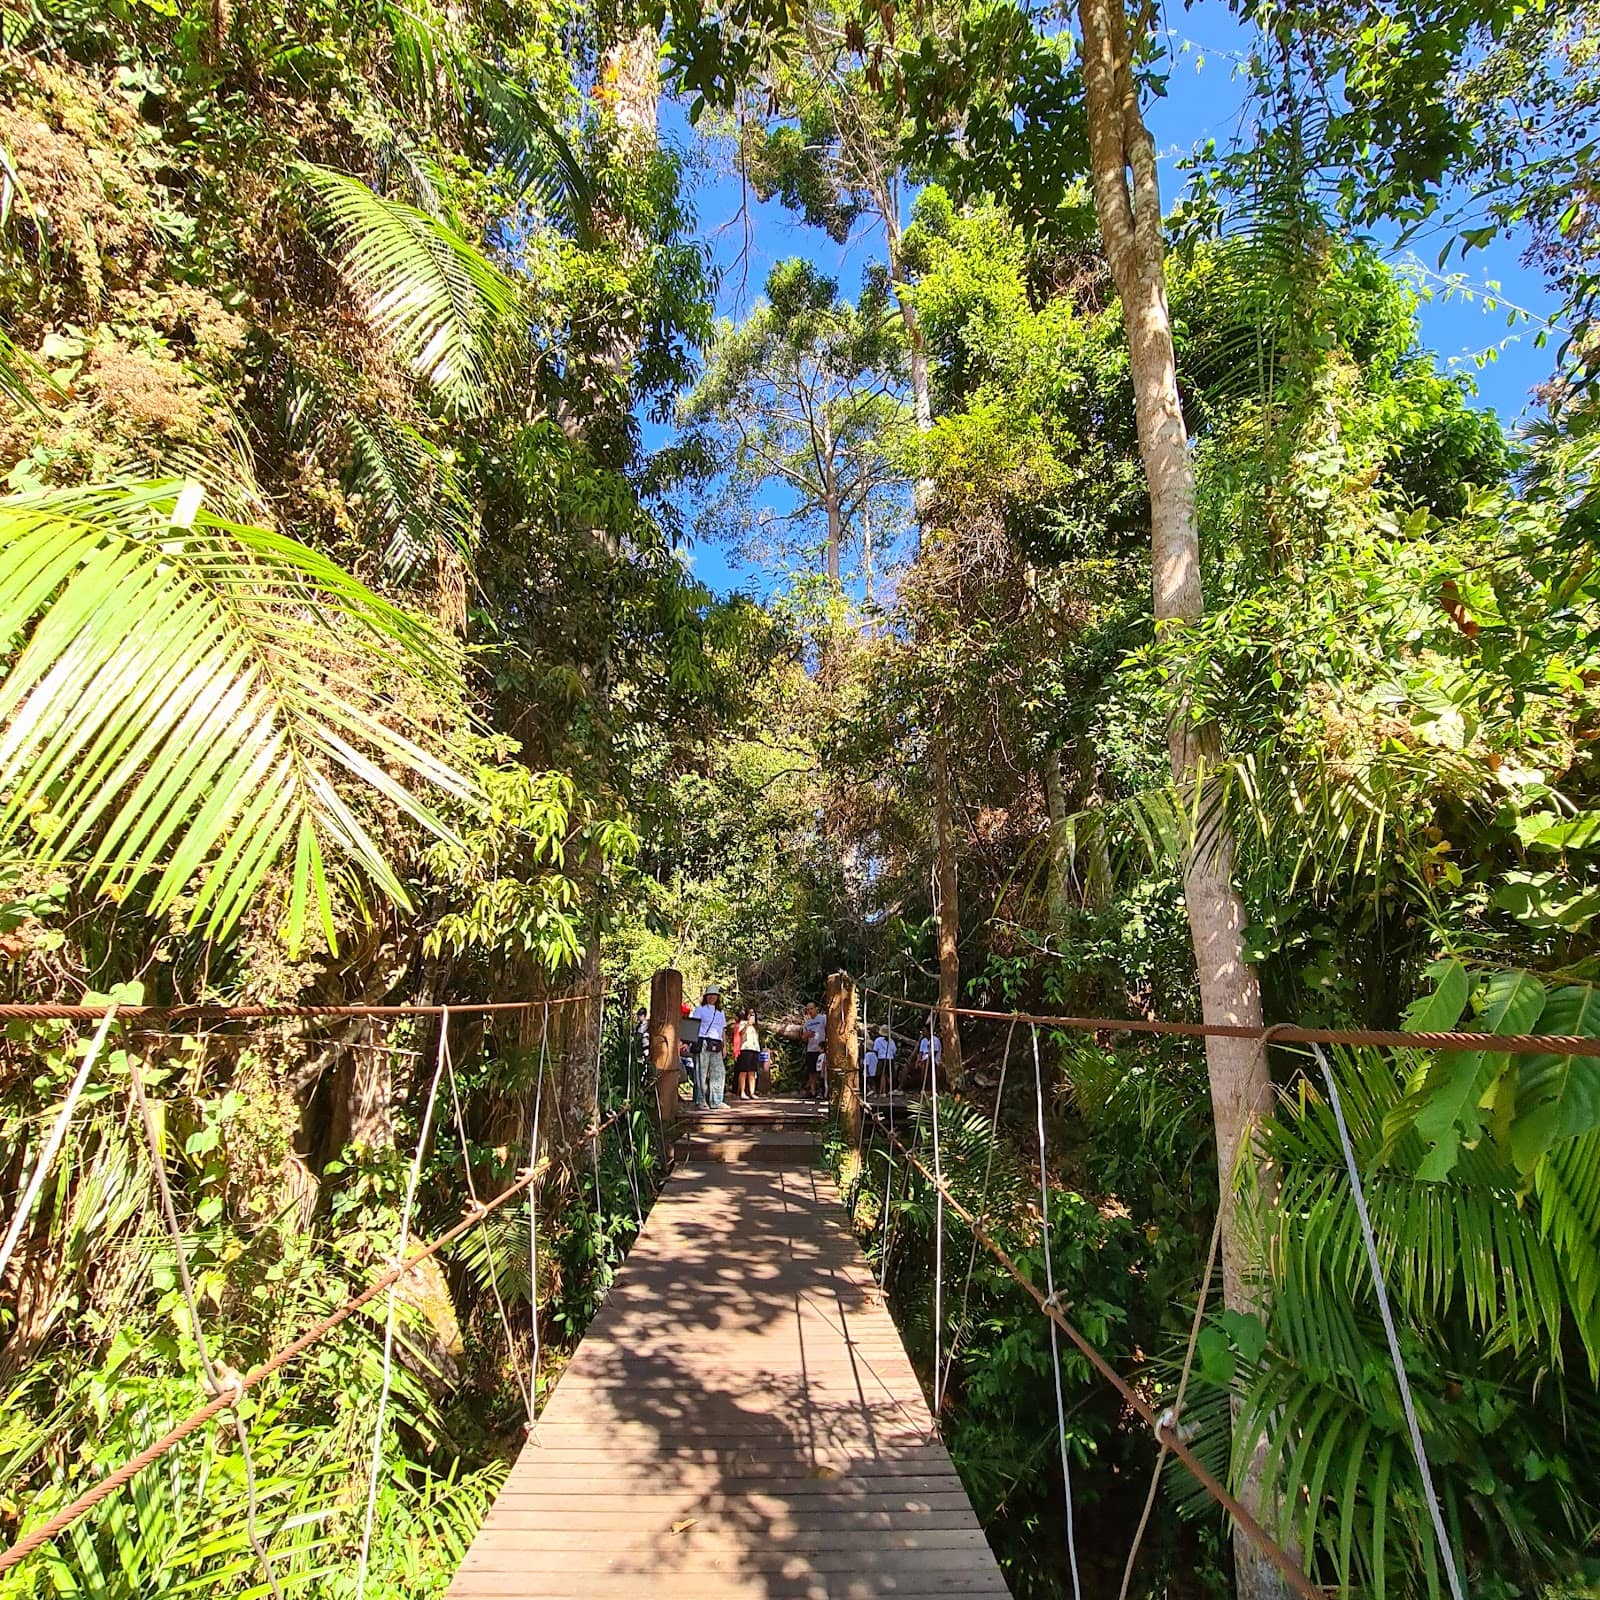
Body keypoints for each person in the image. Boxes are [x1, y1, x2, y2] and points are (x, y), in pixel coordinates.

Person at [688, 984, 728, 1111]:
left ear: (717, 997)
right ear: (706, 996)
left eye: (714, 995)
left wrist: (725, 1046)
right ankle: (701, 1100)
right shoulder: (700, 1010)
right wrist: (689, 1042)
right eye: (710, 995)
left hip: (717, 1043)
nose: (712, 997)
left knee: (719, 1072)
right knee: (701, 1072)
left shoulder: (720, 1012)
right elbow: (694, 1026)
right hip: (704, 1041)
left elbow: (722, 1030)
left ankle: (716, 1101)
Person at [801, 1001, 826, 1100]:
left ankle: (821, 1091)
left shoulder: (823, 1018)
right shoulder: (807, 1023)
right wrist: (806, 1036)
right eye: (808, 1009)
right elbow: (803, 1037)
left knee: (820, 1070)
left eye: (811, 1008)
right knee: (811, 1071)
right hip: (811, 1049)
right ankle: (812, 1091)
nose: (810, 1011)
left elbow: (829, 1029)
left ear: (816, 1009)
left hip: (821, 1049)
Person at [735, 1008, 762, 1100]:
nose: (752, 1015)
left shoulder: (756, 1026)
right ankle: (742, 1092)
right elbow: (741, 1033)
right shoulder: (743, 1023)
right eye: (750, 1013)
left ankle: (752, 1092)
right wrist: (747, 1024)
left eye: (753, 1013)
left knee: (752, 1072)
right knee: (743, 1071)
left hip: (754, 1049)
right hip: (745, 1049)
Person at [869, 1025, 897, 1096]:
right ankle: (890, 1090)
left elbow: (875, 1050)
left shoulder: (878, 1040)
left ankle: (883, 1091)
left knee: (882, 1075)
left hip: (882, 1059)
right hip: (890, 1059)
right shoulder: (892, 1041)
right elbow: (894, 1051)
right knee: (889, 1075)